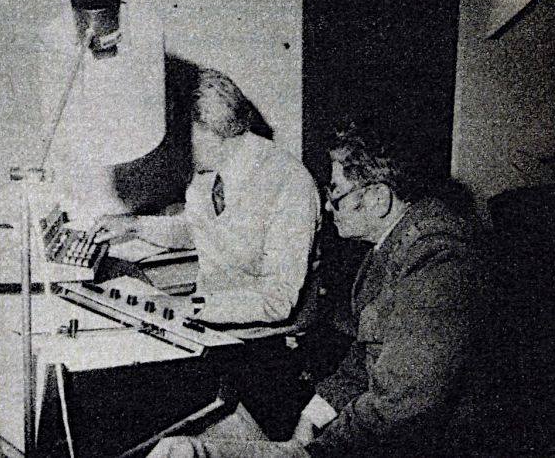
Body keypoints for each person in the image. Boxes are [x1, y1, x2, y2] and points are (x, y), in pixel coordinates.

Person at [146, 122, 502, 457]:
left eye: (336, 193)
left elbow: (401, 404)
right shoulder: (390, 245)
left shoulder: (439, 260)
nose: (328, 206)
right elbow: (366, 356)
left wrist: (316, 450)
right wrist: (313, 416)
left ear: (378, 198)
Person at [93, 68, 320, 328]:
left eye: (177, 136)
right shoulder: (208, 171)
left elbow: (276, 301)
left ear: (207, 129)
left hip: (259, 334)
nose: (173, 148)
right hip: (206, 316)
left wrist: (187, 306)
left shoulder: (290, 183)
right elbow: (197, 229)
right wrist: (135, 225)